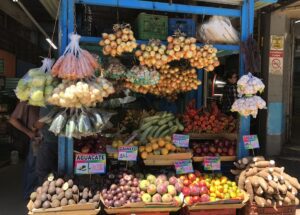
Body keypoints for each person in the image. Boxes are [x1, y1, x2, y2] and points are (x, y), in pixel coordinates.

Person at [8, 101, 40, 199]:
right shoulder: (26, 102)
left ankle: (31, 192)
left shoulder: (45, 101)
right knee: (32, 166)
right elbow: (12, 120)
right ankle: (29, 193)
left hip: (41, 140)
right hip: (34, 140)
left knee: (34, 166)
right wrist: (29, 132)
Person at [35, 106, 58, 184]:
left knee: (43, 173)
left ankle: (45, 191)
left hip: (49, 142)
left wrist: (33, 126)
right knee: (57, 171)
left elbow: (40, 123)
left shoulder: (47, 105)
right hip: (60, 142)